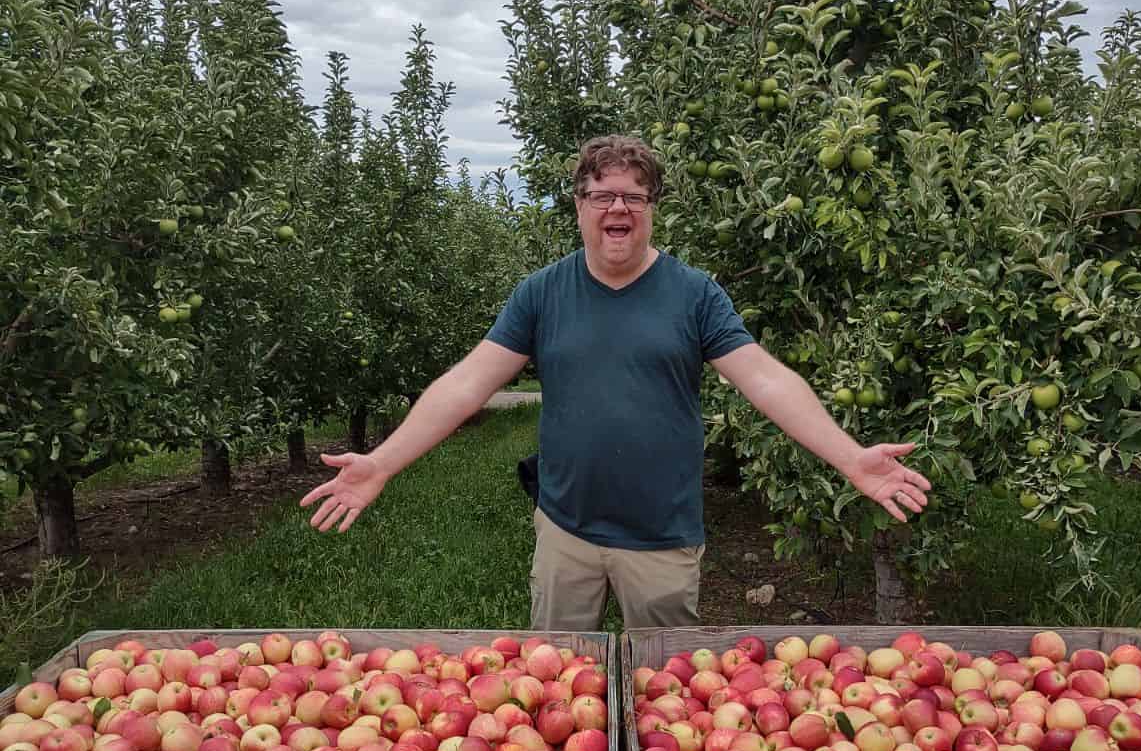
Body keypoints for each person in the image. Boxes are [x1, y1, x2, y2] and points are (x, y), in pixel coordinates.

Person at [299, 133, 931, 629]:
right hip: (565, 531)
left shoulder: (694, 294)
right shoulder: (543, 293)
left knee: (662, 703)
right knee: (554, 693)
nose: (617, 208)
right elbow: (468, 383)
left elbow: (764, 380)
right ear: (580, 206)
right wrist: (382, 463)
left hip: (662, 538)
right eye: (602, 195)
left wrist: (851, 458)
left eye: (633, 196)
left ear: (651, 208)